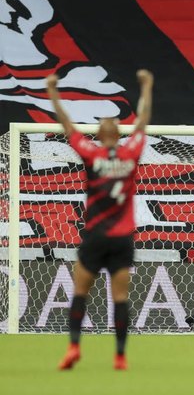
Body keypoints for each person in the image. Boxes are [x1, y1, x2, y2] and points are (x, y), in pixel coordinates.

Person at [47, 69, 154, 370]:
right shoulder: (130, 152)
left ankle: (79, 348)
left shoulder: (92, 155)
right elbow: (143, 120)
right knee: (118, 297)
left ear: (106, 133)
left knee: (84, 292)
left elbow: (67, 126)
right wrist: (146, 87)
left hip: (95, 236)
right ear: (116, 133)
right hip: (121, 238)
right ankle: (116, 355)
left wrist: (53, 91)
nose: (108, 121)